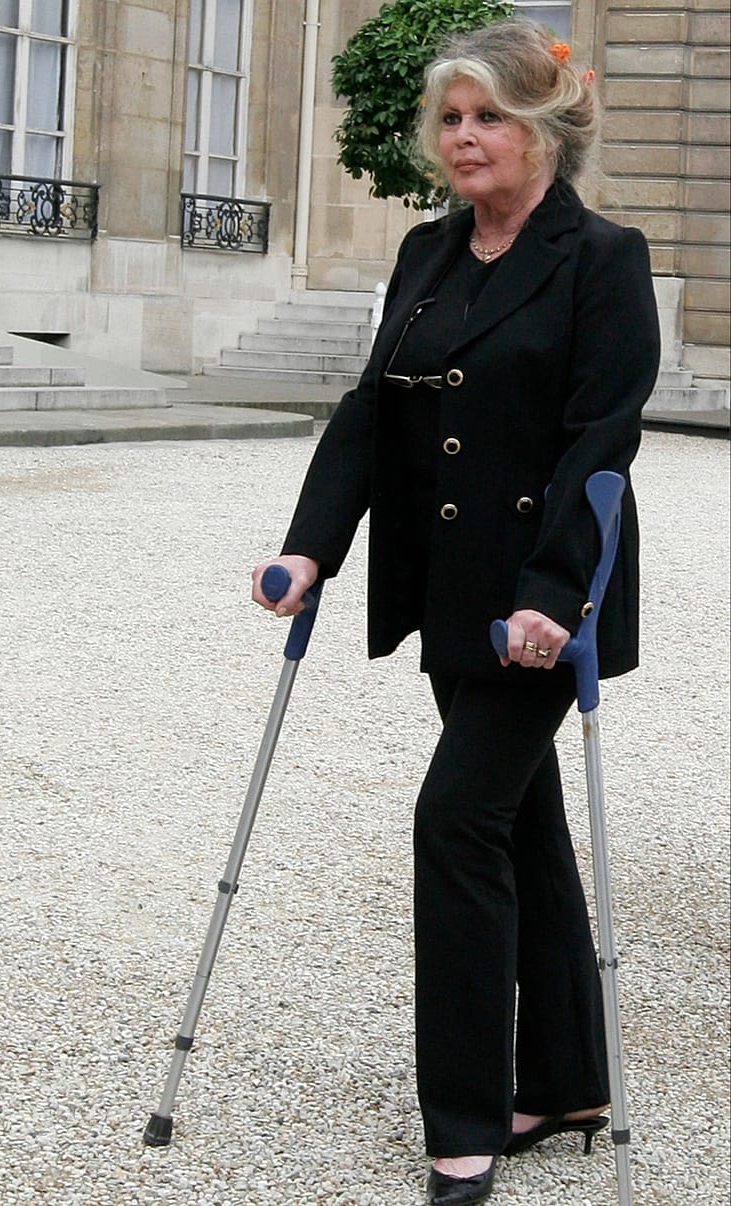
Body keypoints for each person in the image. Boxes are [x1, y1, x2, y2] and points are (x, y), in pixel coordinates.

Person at [251, 19, 660, 1205]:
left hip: (539, 606)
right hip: (446, 593)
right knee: (518, 827)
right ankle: (570, 1077)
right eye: (450, 117)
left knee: (454, 822)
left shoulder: (601, 258)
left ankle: (469, 1115)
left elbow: (602, 440)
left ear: (543, 130)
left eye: (489, 116)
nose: (465, 137)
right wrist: (308, 547)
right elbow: (371, 413)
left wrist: (551, 598)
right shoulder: (427, 254)